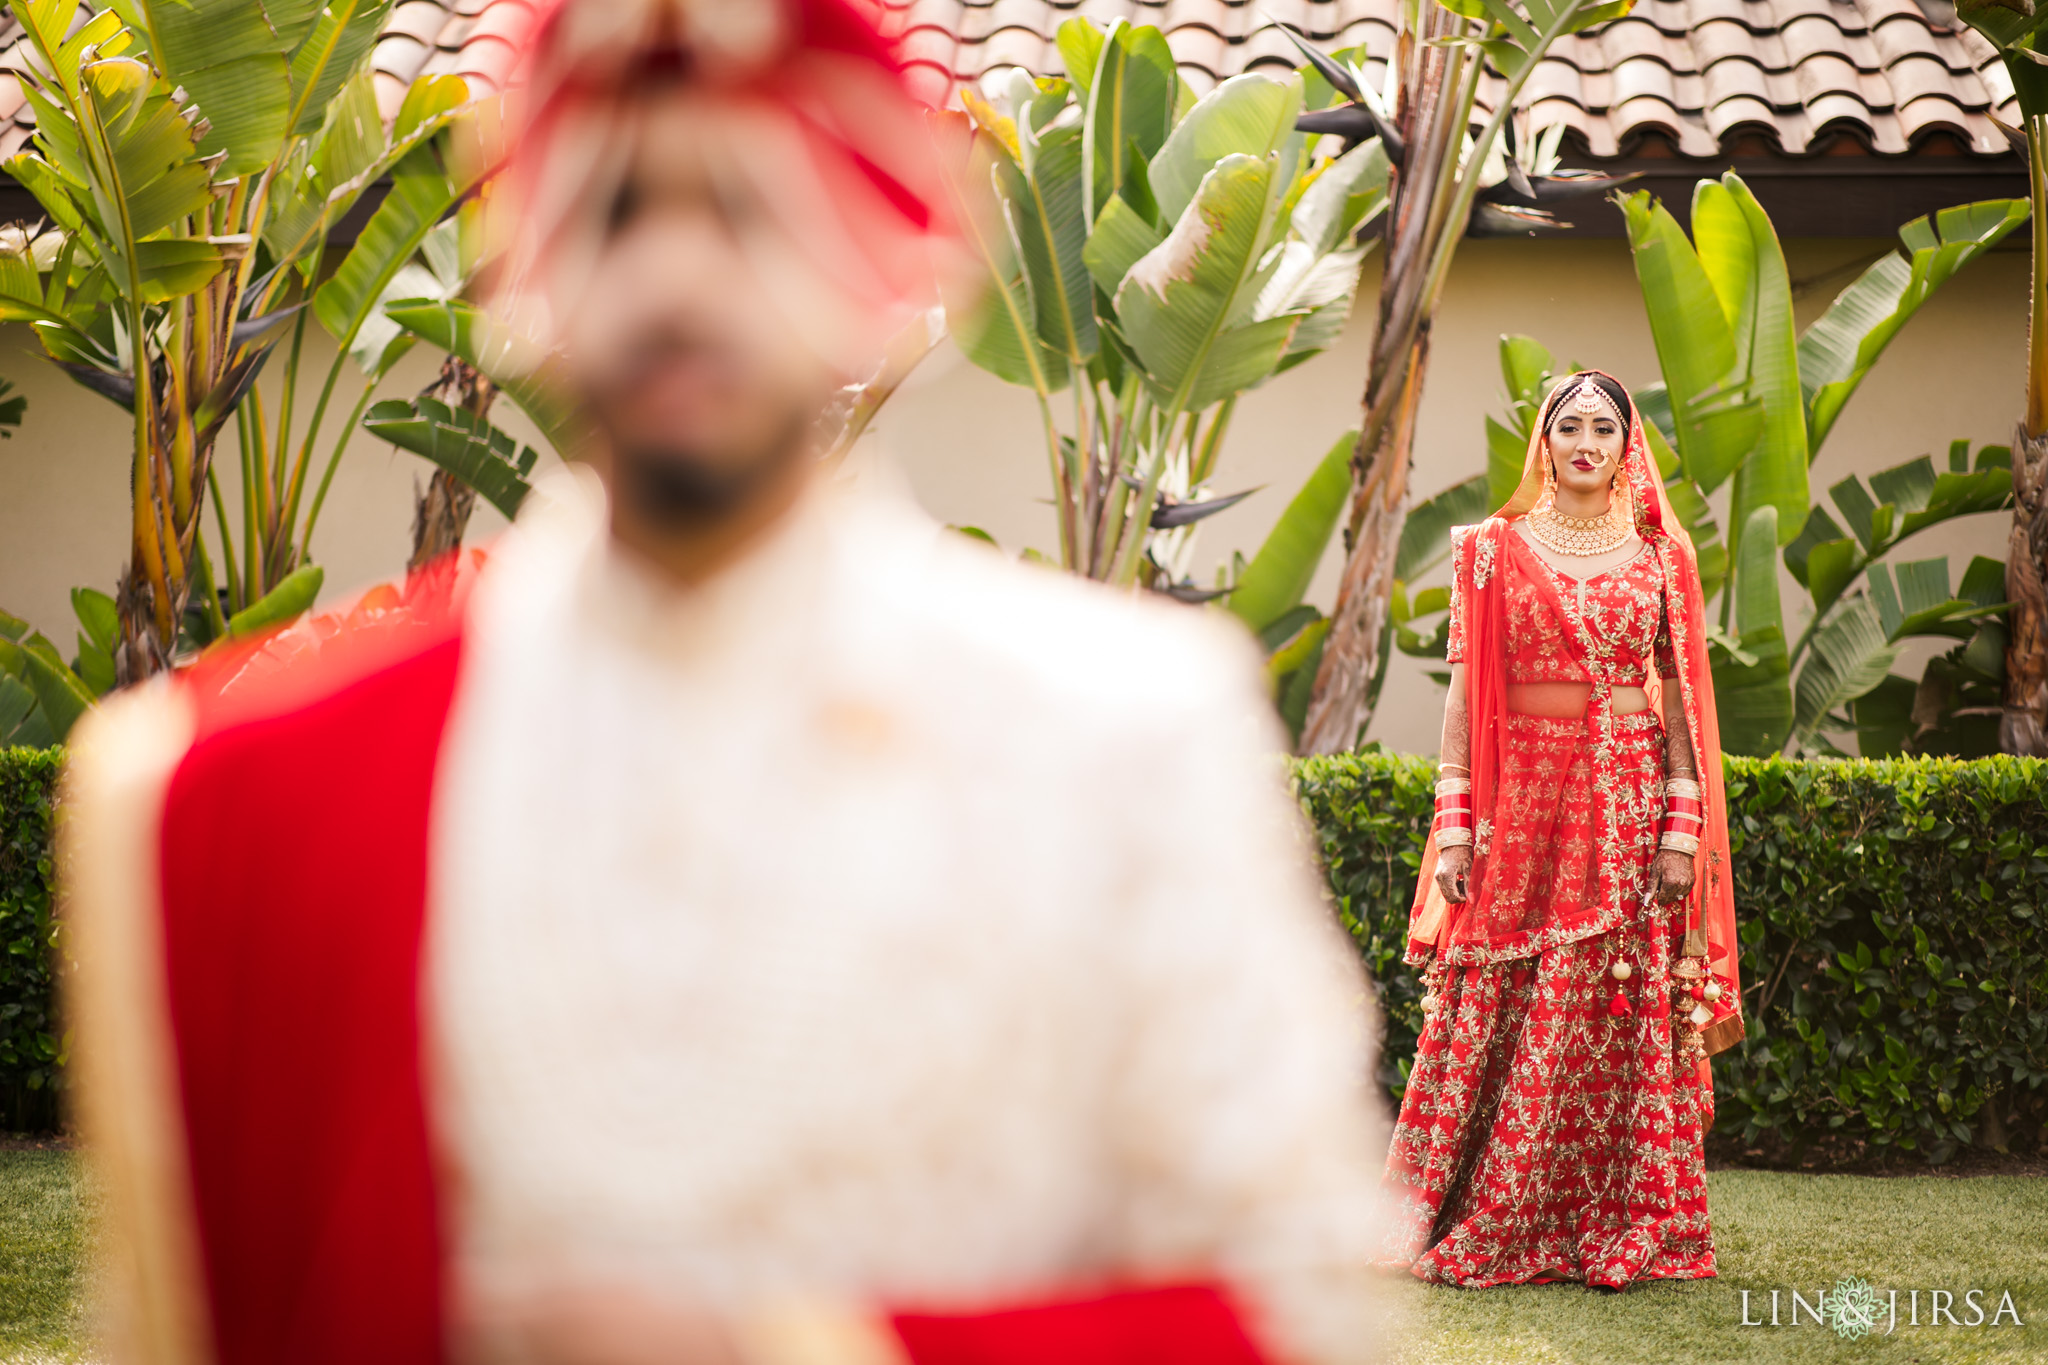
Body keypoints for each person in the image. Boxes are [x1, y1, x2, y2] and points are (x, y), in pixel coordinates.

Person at [61, 2, 1395, 1363]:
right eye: (621, 207)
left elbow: (1289, 1305)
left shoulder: (1124, 734)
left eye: (755, 210)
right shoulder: (241, 797)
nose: (678, 280)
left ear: (878, 262)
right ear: (533, 257)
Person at [1377, 370, 1743, 1290]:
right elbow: (1465, 693)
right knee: (1503, 988)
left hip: (1627, 803)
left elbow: (1679, 704)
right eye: (1569, 425)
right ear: (1544, 439)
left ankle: (1620, 1213)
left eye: (1604, 428)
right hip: (1525, 801)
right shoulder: (1490, 550)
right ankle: (1485, 1208)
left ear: (1629, 445)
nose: (1586, 442)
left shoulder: (1663, 556)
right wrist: (1456, 825)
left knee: (1614, 997)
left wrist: (1680, 826)